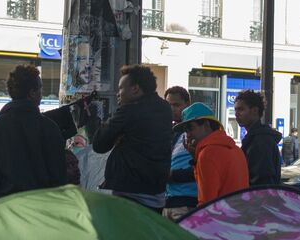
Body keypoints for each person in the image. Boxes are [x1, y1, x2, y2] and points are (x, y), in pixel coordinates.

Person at [0, 64, 67, 201]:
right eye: (40, 89)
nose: (41, 94)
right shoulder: (48, 127)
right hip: (40, 207)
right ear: (32, 93)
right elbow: (59, 175)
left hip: (5, 207)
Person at [91, 64, 172, 206]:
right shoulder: (165, 108)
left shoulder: (129, 111)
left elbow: (99, 144)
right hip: (157, 193)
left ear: (135, 89)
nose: (118, 93)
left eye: (121, 88)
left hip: (129, 193)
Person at [174, 102, 248, 204]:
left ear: (206, 125)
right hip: (236, 215)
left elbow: (206, 203)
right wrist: (195, 159)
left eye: (190, 128)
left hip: (219, 217)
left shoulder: (207, 154)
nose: (188, 135)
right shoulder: (236, 149)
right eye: (186, 131)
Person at [234, 89, 281, 186]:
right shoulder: (256, 138)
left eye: (241, 109)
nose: (236, 114)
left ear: (254, 111)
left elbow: (262, 181)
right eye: (236, 109)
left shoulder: (261, 141)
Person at [163, 86, 198, 216]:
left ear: (187, 104)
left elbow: (202, 167)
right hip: (170, 200)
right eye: (168, 105)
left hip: (187, 202)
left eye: (176, 105)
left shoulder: (196, 132)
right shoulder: (173, 132)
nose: (172, 109)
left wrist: (173, 175)